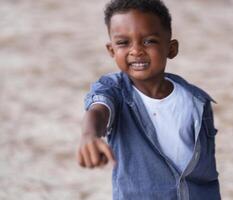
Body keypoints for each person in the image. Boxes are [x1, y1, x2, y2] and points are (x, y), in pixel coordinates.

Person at [77, 0, 221, 199]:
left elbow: (206, 173)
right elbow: (98, 110)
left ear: (171, 48)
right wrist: (89, 135)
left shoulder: (196, 101)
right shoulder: (114, 91)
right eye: (123, 43)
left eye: (149, 41)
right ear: (112, 51)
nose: (136, 50)